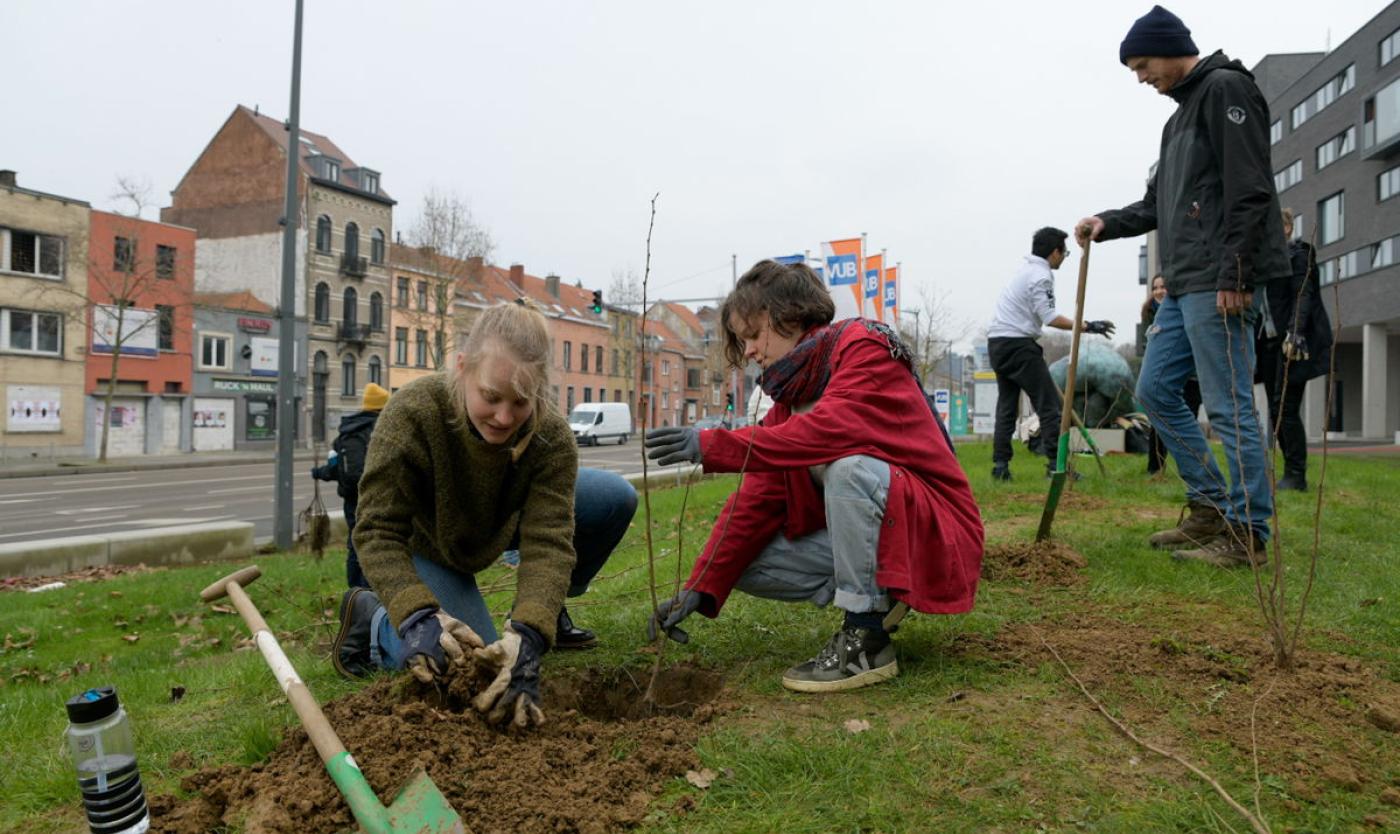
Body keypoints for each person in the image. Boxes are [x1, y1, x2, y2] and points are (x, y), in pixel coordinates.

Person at [642, 260, 984, 693]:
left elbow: (828, 431)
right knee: (743, 564)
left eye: (752, 333)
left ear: (786, 314)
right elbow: (757, 498)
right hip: (897, 533)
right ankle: (884, 596)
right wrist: (701, 585)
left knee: (849, 468)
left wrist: (716, 445)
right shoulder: (795, 393)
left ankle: (865, 638)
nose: (747, 350)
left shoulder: (863, 347)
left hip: (938, 533)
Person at [330, 301, 638, 727]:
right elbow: (376, 529)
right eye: (491, 397)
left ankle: (549, 611)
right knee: (468, 666)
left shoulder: (551, 437)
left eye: (521, 401)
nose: (504, 417)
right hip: (431, 545)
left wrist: (531, 630)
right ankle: (375, 623)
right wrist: (416, 612)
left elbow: (549, 540)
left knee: (614, 497)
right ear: (462, 368)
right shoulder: (413, 414)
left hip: (500, 522)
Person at [1076, 5, 1291, 567]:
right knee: (1154, 392)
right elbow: (1157, 206)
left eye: (1143, 65)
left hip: (1221, 279)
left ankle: (1248, 536)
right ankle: (1210, 507)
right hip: (1184, 284)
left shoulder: (1225, 90)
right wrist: (1106, 222)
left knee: (1228, 407)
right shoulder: (1178, 120)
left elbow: (1251, 188)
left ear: (1172, 49)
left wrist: (1238, 272)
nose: (1142, 78)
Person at [987, 227, 1115, 481]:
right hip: (1018, 345)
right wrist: (1088, 325)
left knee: (1007, 408)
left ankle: (1000, 467)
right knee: (1049, 406)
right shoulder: (1040, 276)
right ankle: (1056, 468)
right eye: (1064, 252)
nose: (1065, 257)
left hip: (998, 343)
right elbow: (1050, 317)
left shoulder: (1024, 270)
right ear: (1054, 252)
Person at [1255, 209, 1331, 492]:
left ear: (1287, 227)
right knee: (1276, 411)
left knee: (1285, 408)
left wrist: (1295, 332)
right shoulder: (1262, 260)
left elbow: (1303, 294)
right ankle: (1290, 470)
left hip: (1292, 342)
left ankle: (1296, 475)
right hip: (1269, 343)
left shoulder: (1298, 254)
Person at [311, 382, 387, 589]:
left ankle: (356, 593)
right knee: (382, 544)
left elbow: (335, 468)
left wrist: (319, 473)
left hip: (352, 500)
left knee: (356, 545)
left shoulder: (346, 433)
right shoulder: (384, 429)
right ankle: (372, 590)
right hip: (380, 499)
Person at [1140, 275, 1202, 476]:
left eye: (1163, 287)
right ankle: (1155, 468)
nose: (1159, 291)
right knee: (1158, 423)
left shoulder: (1186, 309)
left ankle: (1192, 469)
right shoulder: (1148, 313)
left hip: (1191, 376)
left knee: (1188, 421)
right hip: (1163, 376)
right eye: (1155, 287)